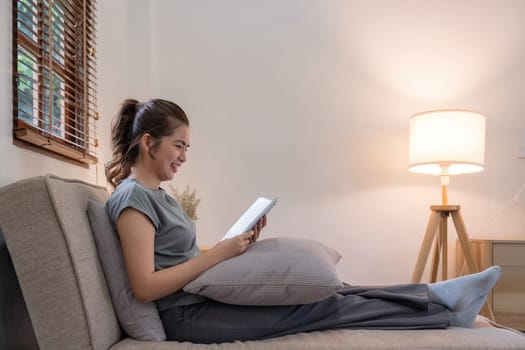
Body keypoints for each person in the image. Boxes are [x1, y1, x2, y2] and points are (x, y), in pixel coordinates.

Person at [105, 98, 501, 344]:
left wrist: (235, 245)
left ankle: (435, 293)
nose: (184, 157)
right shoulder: (133, 199)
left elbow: (179, 259)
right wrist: (218, 254)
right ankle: (445, 312)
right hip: (187, 317)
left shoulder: (157, 195)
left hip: (202, 298)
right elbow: (144, 286)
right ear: (147, 142)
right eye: (178, 145)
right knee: (320, 307)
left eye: (186, 147)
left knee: (335, 289)